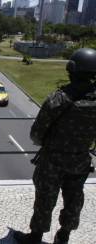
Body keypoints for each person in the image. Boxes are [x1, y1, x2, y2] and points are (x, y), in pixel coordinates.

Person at [14, 48, 96, 244]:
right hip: (80, 160)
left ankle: (35, 237)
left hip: (53, 161)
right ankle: (64, 236)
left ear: (71, 70)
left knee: (45, 199)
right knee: (74, 199)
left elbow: (36, 134)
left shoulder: (58, 99)